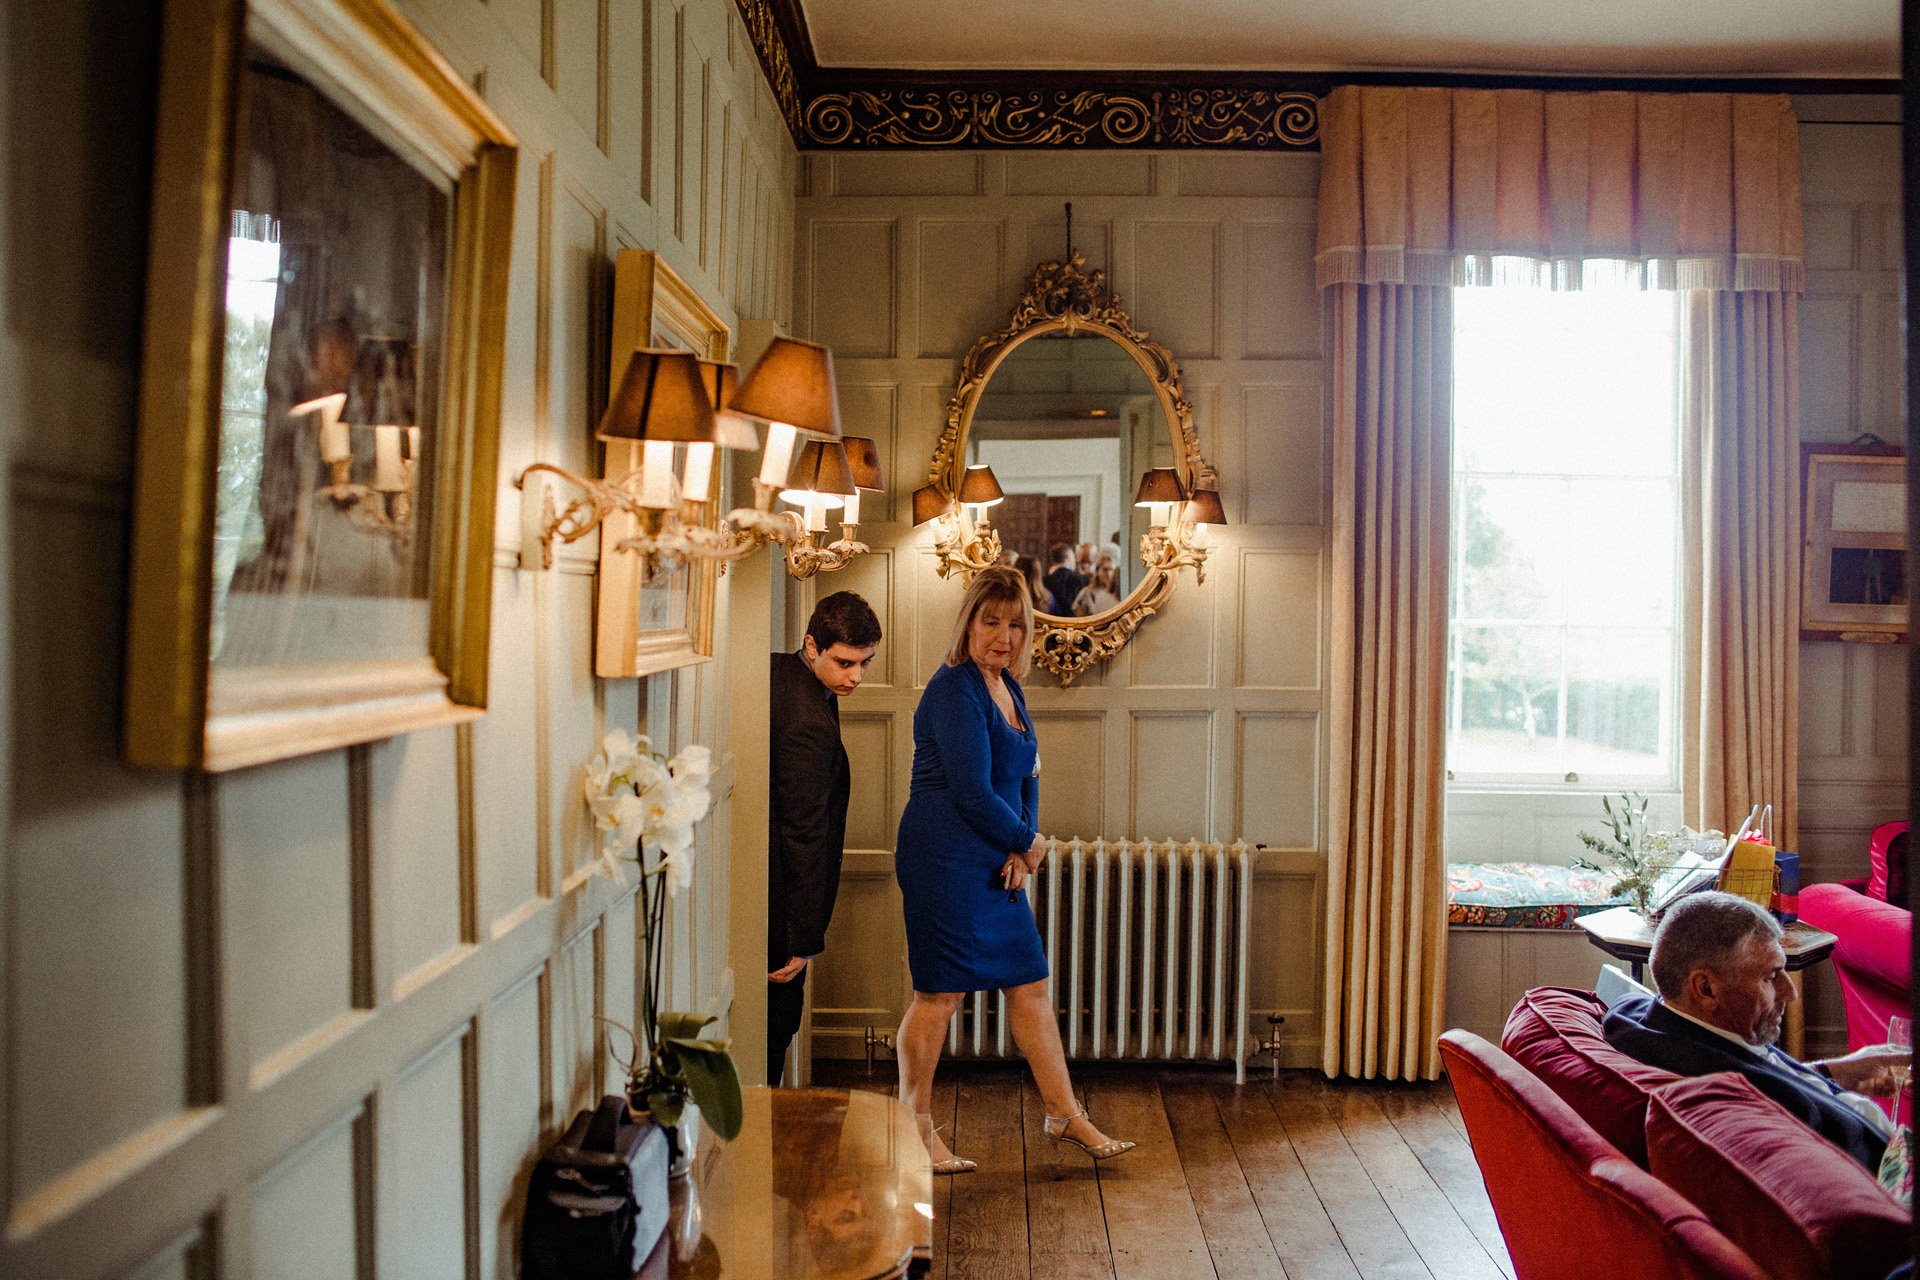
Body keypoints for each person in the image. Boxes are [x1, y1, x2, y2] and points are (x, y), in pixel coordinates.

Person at [893, 566, 1134, 1173]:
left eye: (1016, 624)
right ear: (968, 623)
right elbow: (972, 791)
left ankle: (1064, 1115)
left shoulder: (1009, 687)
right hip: (942, 857)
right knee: (938, 995)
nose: (1004, 635)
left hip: (993, 851)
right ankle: (912, 1127)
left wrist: (1018, 849)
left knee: (1029, 986)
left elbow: (1027, 772)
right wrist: (1029, 843)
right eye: (991, 621)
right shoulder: (953, 688)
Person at [1603, 890, 1904, 1172]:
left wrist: (1832, 1073)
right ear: (1706, 988)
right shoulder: (1744, 1101)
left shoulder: (1645, 1018)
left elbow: (1762, 1074)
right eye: (1770, 976)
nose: (1790, 993)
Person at [768, 591, 881, 1086]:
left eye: (865, 663)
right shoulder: (809, 723)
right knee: (773, 1034)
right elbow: (805, 833)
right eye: (844, 662)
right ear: (812, 646)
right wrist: (804, 936)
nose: (855, 676)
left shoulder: (778, 671)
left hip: (767, 889)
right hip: (782, 909)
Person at [1042, 543, 1084, 617]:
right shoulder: (1081, 579)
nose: (1075, 561)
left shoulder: (1044, 581)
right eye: (1073, 557)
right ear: (1067, 558)